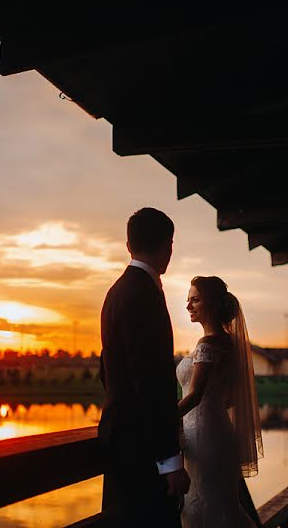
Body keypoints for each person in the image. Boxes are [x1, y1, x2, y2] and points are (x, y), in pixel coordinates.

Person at [99, 207, 190, 527]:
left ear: (128, 245)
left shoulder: (116, 291)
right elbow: (151, 384)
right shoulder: (144, 295)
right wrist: (170, 463)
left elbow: (106, 368)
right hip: (141, 450)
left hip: (118, 437)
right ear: (168, 245)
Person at [178, 276, 263, 527]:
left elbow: (194, 396)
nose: (188, 306)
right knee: (222, 502)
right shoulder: (231, 343)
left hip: (202, 435)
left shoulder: (208, 344)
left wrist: (163, 418)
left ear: (212, 304)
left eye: (195, 300)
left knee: (205, 504)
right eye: (188, 300)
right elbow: (230, 397)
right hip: (218, 430)